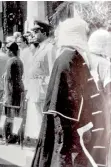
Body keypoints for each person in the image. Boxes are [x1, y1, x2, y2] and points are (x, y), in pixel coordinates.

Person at [32, 18, 109, 167]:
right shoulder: (71, 57)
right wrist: (86, 125)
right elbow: (74, 95)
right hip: (71, 125)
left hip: (67, 123)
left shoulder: (67, 55)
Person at [24, 20, 56, 145]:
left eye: (36, 32)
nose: (34, 35)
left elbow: (52, 70)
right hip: (36, 88)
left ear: (44, 32)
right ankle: (41, 142)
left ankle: (46, 143)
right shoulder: (40, 48)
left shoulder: (50, 48)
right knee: (38, 118)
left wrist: (47, 87)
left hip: (43, 89)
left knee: (43, 118)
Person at [1, 42, 24, 145]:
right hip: (19, 90)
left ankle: (7, 137)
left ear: (10, 51)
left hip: (11, 92)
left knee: (7, 115)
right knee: (17, 115)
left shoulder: (10, 61)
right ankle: (17, 136)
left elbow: (9, 79)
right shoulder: (19, 61)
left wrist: (7, 94)